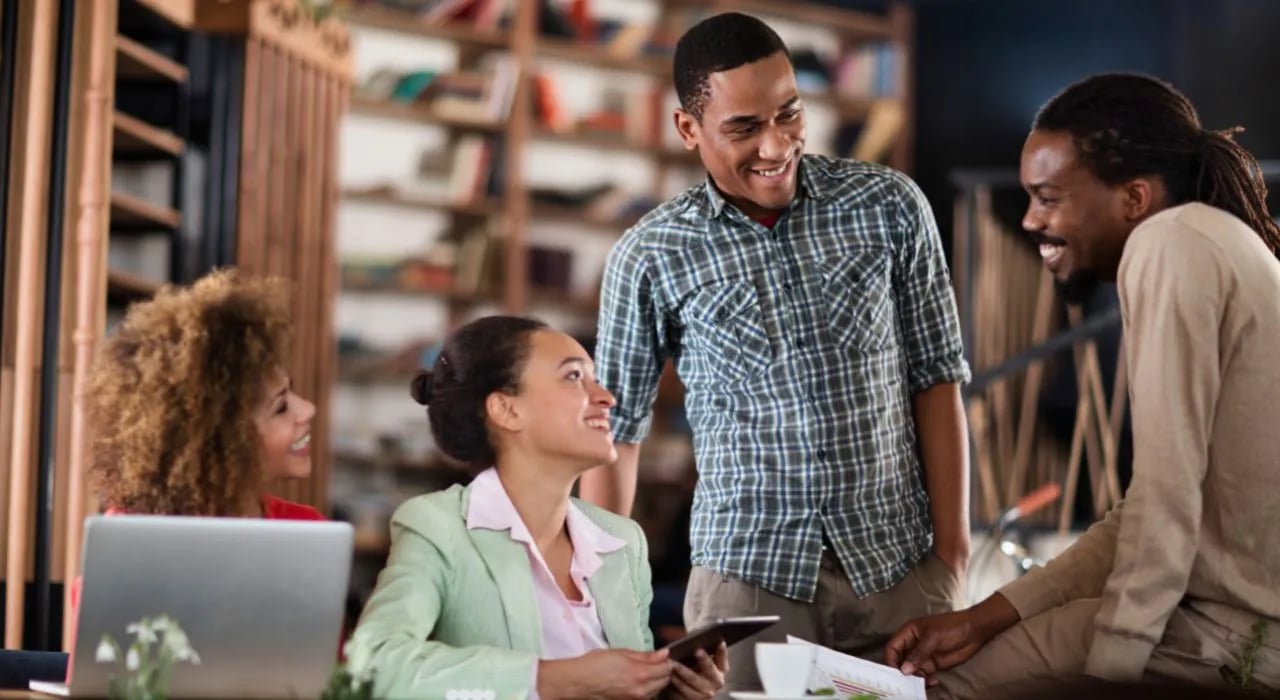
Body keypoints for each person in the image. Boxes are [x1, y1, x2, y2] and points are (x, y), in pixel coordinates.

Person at [584, 11, 971, 691]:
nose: (775, 144)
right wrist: (610, 607)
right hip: (746, 586)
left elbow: (937, 379)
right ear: (688, 129)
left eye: (788, 114)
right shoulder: (649, 255)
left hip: (899, 575)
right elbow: (615, 437)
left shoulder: (890, 206)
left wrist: (953, 552)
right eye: (743, 128)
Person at [885, 73, 1280, 698]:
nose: (1030, 220)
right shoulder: (1208, 239)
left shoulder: (1168, 244)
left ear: (1134, 197)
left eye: (1049, 198)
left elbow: (1167, 500)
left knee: (932, 687)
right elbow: (1144, 513)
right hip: (1219, 623)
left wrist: (1111, 671)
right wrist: (981, 619)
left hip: (1230, 636)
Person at [349, 316, 727, 699]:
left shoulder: (623, 541)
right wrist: (557, 678)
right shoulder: (438, 526)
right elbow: (373, 665)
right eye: (575, 377)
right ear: (506, 410)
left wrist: (666, 691)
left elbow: (625, 685)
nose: (606, 397)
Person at [59, 269, 325, 676]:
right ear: (218, 439)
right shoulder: (128, 543)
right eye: (281, 406)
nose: (308, 410)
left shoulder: (309, 532)